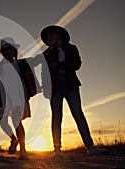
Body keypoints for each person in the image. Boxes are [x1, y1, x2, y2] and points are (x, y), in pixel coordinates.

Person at [36, 25, 103, 158]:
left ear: (59, 35)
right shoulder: (48, 53)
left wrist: (61, 65)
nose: (49, 38)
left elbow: (77, 64)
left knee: (78, 114)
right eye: (48, 36)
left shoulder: (71, 48)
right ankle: (57, 150)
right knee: (56, 117)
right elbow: (44, 70)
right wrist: (45, 87)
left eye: (52, 35)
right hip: (55, 88)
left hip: (70, 85)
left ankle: (90, 147)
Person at [0, 37, 38, 160]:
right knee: (2, 121)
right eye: (5, 50)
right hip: (2, 98)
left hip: (17, 98)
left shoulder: (21, 63)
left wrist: (51, 48)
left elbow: (36, 60)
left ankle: (23, 150)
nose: (8, 52)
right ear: (3, 53)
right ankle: (13, 139)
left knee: (17, 122)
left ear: (14, 51)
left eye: (10, 50)